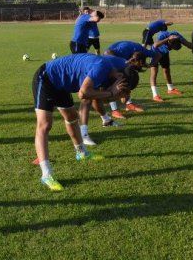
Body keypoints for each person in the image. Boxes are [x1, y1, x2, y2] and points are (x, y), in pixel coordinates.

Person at [32, 53, 139, 191]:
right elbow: (83, 94)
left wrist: (114, 94)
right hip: (46, 78)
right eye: (123, 87)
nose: (122, 91)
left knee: (71, 116)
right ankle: (46, 174)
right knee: (45, 124)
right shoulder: (101, 68)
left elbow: (97, 98)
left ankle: (81, 153)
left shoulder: (109, 74)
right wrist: (112, 93)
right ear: (119, 77)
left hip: (62, 84)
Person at [104, 41, 156, 116]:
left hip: (120, 62)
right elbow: (107, 52)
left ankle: (129, 105)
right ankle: (114, 110)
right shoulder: (125, 51)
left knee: (124, 82)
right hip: (108, 64)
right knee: (114, 84)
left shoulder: (134, 56)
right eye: (141, 64)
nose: (141, 66)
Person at [148, 31, 191, 101]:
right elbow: (155, 45)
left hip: (164, 53)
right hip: (155, 53)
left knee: (167, 70)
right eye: (172, 47)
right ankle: (155, 95)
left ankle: (170, 89)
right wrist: (167, 38)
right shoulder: (163, 35)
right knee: (154, 73)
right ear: (169, 42)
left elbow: (187, 44)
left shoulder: (178, 36)